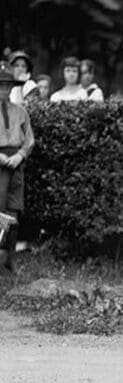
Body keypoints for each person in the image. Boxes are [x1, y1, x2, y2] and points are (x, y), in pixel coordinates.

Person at [0, 62, 35, 273]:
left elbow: (29, 140)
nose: (4, 90)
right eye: (0, 85)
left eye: (7, 86)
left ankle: (10, 259)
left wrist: (20, 155)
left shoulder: (20, 111)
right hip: (0, 161)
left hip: (16, 163)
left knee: (14, 210)